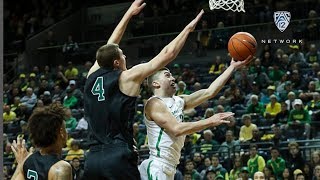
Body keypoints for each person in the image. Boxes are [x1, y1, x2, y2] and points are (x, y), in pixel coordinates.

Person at [83, 0, 205, 179]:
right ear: (117, 62)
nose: (125, 56)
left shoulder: (92, 75)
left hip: (92, 159)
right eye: (123, 55)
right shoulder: (127, 77)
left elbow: (110, 45)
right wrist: (187, 30)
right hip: (118, 156)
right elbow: (167, 55)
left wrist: (129, 14)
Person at [139, 54, 253, 180]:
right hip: (158, 165)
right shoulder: (154, 103)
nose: (173, 78)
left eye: (171, 75)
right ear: (156, 83)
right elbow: (176, 129)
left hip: (170, 167)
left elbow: (209, 92)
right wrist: (210, 121)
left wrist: (232, 67)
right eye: (167, 75)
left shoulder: (178, 101)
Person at [10, 103, 72, 180]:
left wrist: (20, 164)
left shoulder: (27, 162)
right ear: (61, 132)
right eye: (65, 129)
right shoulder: (60, 168)